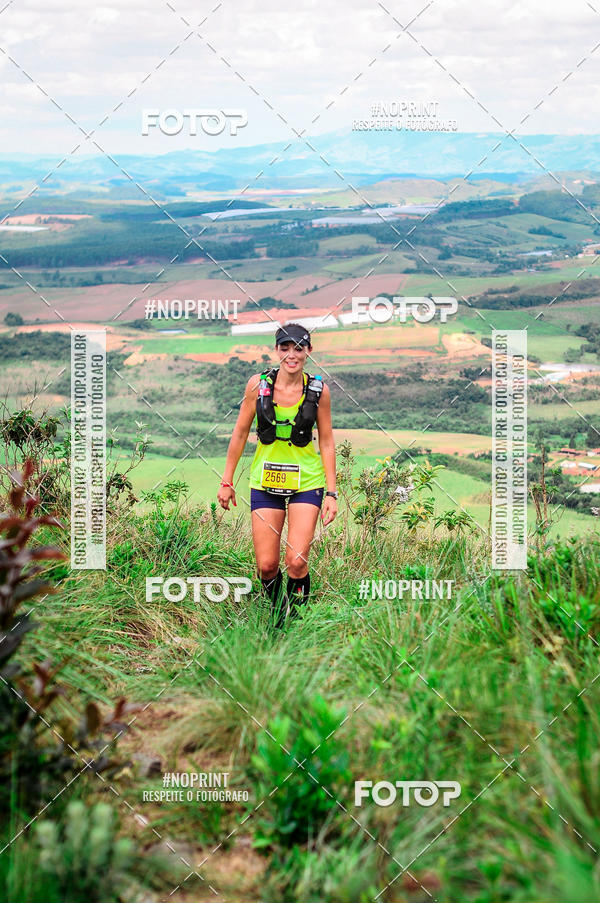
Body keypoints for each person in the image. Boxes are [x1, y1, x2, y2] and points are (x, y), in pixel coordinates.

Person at [217, 323, 337, 625]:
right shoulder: (257, 386)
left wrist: (332, 493)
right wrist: (227, 480)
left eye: (298, 348)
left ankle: (297, 621)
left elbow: (326, 441)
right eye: (285, 348)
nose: (291, 355)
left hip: (306, 481)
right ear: (276, 350)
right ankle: (278, 613)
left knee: (296, 561)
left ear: (309, 351)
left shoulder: (319, 391)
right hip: (265, 480)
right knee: (267, 566)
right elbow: (240, 433)